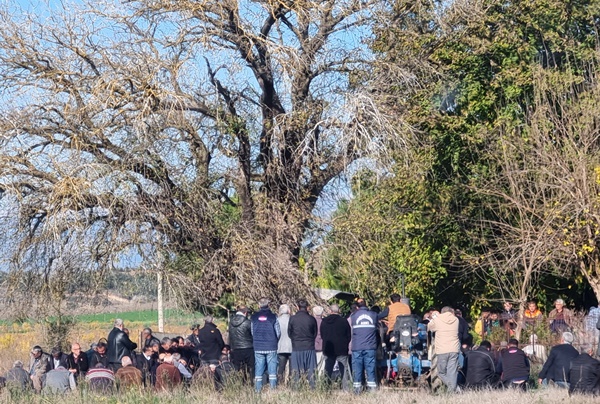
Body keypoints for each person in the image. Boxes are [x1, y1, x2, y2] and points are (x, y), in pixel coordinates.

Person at [427, 307, 460, 392]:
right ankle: (452, 391)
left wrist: (434, 317)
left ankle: (454, 388)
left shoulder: (437, 320)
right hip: (454, 349)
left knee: (441, 372)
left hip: (442, 350)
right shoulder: (456, 320)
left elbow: (430, 327)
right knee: (452, 372)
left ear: (442, 312)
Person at [251, 297, 281, 392]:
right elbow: (278, 332)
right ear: (268, 305)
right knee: (272, 371)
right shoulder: (273, 316)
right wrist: (274, 340)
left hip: (258, 347)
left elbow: (252, 332)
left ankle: (258, 390)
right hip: (271, 346)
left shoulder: (253, 317)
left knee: (258, 370)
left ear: (259, 305)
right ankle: (273, 390)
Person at [320, 304, 352, 391]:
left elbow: (322, 335)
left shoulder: (324, 321)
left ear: (330, 311)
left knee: (328, 368)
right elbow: (349, 335)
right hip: (341, 348)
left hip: (328, 349)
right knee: (344, 369)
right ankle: (346, 389)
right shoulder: (344, 321)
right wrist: (345, 343)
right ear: (339, 311)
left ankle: (326, 388)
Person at [288, 299, 318, 389]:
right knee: (311, 370)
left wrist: (295, 339)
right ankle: (312, 388)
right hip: (309, 346)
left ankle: (296, 388)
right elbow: (315, 333)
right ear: (307, 308)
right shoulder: (312, 319)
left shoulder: (292, 319)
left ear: (297, 307)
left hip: (296, 347)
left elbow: (289, 333)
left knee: (296, 371)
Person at [350, 299, 378, 394]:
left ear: (357, 307)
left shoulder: (353, 316)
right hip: (370, 347)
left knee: (357, 369)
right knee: (370, 369)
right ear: (366, 305)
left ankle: (357, 391)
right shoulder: (374, 315)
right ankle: (372, 391)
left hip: (357, 347)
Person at [228, 305, 254, 382]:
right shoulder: (248, 322)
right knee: (251, 368)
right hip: (248, 348)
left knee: (238, 369)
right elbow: (253, 334)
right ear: (245, 312)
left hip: (235, 348)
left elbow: (230, 336)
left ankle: (241, 384)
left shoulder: (231, 323)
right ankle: (252, 384)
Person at [277, 304, 293, 385]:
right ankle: (290, 383)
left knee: (281, 367)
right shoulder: (292, 319)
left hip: (280, 347)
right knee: (291, 367)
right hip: (291, 346)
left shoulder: (277, 320)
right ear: (289, 311)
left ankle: (280, 383)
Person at [312, 305, 325, 376]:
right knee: (322, 367)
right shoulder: (324, 322)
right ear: (322, 313)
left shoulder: (311, 322)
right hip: (322, 347)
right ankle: (320, 382)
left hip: (313, 347)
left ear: (314, 313)